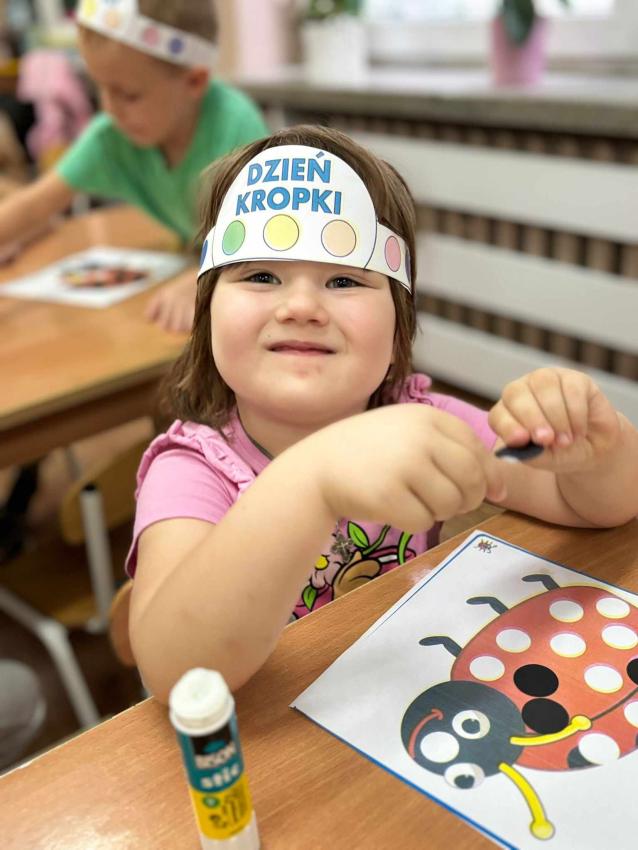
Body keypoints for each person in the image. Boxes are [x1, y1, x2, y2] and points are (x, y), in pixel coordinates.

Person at [125, 125, 638, 704]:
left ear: (398, 328)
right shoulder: (190, 470)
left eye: (343, 279)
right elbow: (174, 672)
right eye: (261, 276)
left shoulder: (421, 421)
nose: (301, 306)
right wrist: (311, 480)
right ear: (206, 315)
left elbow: (593, 506)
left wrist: (597, 450)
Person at [0, 0, 268, 332]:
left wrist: (206, 275)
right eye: (100, 88)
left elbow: (262, 230)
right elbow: (34, 205)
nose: (110, 108)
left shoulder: (237, 127)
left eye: (128, 95)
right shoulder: (112, 135)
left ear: (194, 82)